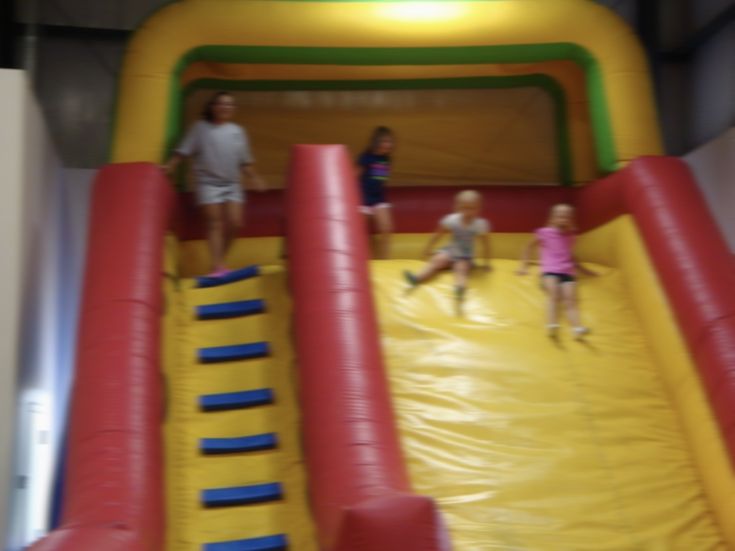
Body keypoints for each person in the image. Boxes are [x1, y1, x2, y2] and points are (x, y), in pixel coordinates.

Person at [163, 91, 266, 277]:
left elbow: (244, 161)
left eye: (230, 105)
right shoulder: (200, 128)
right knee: (214, 222)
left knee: (236, 223)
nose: (226, 107)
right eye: (222, 104)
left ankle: (219, 262)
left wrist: (254, 177)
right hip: (208, 182)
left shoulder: (237, 131)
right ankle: (218, 266)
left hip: (232, 183)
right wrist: (170, 166)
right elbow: (184, 151)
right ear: (212, 107)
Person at [516, 203, 596, 339]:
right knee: (554, 294)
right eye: (560, 216)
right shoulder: (544, 232)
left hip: (567, 272)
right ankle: (552, 325)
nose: (564, 219)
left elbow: (570, 255)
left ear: (571, 220)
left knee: (571, 299)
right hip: (550, 271)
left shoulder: (571, 236)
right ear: (552, 218)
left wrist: (585, 270)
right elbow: (528, 247)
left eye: (567, 217)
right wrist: (523, 266)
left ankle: (577, 328)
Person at [403, 190, 491, 301]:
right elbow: (437, 235)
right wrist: (427, 249)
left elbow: (486, 244)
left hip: (465, 256)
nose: (467, 212)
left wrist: (487, 263)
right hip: (450, 251)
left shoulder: (480, 225)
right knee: (437, 260)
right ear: (457, 207)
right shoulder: (451, 220)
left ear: (479, 209)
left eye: (472, 208)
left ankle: (460, 288)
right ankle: (416, 278)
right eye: (464, 208)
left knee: (461, 269)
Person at [357, 126, 395, 259]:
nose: (388, 145)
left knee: (386, 228)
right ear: (377, 142)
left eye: (390, 142)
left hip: (378, 198)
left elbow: (380, 179)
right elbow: (354, 176)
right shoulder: (365, 157)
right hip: (363, 198)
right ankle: (368, 259)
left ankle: (385, 260)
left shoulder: (386, 159)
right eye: (385, 141)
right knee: (363, 232)